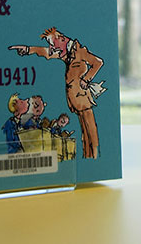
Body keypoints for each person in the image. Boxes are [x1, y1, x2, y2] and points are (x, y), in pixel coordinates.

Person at [9, 27, 105, 159]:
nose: (52, 47)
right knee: (84, 130)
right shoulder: (66, 53)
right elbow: (47, 53)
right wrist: (28, 49)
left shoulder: (80, 52)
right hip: (75, 99)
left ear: (62, 39)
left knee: (90, 129)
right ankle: (88, 156)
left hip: (83, 98)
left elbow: (98, 63)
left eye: (53, 44)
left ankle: (94, 156)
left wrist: (86, 79)